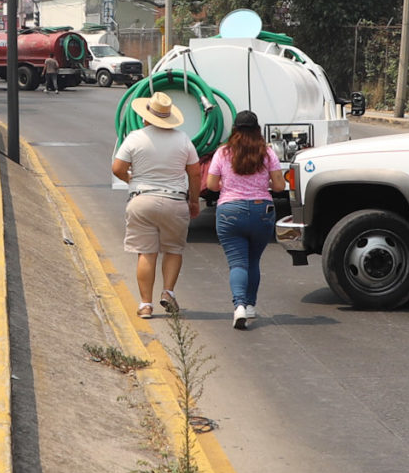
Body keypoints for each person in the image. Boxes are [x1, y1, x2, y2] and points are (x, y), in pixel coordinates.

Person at [112, 89, 205, 318]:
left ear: (146, 116)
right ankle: (168, 292)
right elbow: (194, 173)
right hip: (174, 200)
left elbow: (117, 168)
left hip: (142, 200)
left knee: (146, 253)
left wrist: (130, 179)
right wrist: (194, 201)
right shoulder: (183, 139)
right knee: (173, 250)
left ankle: (145, 305)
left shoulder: (135, 137)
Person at [203, 110, 289, 330]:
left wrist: (228, 186)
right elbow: (279, 186)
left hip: (230, 211)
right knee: (253, 262)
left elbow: (211, 185)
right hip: (262, 211)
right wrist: (262, 186)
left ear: (234, 130)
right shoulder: (267, 153)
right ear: (257, 130)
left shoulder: (223, 152)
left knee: (238, 263)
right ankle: (250, 305)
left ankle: (239, 306)